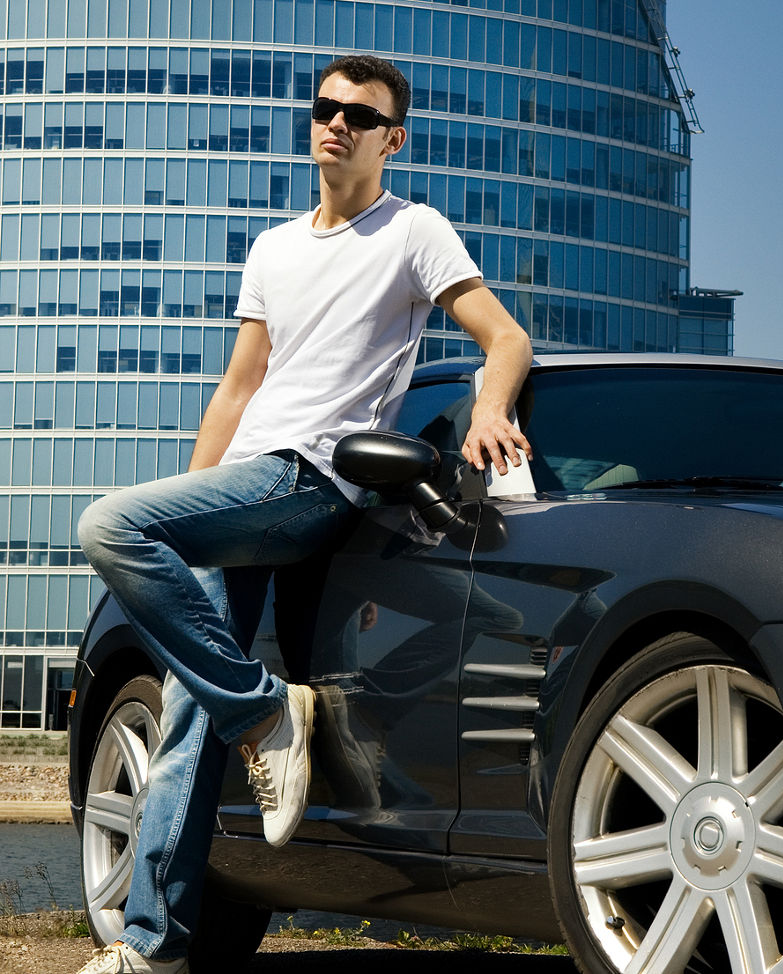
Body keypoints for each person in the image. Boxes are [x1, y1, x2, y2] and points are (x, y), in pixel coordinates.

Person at [75, 54, 532, 974]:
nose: (336, 124)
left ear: (390, 138)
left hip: (313, 480)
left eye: (359, 116)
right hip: (244, 484)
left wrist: (491, 406)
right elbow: (238, 388)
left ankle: (263, 715)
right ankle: (154, 949)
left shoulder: (414, 230)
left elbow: (505, 336)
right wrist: (191, 503)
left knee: (107, 525)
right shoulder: (273, 247)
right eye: (325, 109)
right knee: (182, 722)